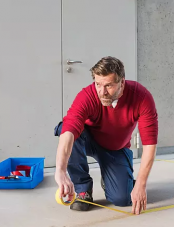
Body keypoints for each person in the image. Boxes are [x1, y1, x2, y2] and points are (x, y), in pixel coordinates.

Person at [54, 56, 158, 215]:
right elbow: (68, 132)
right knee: (65, 129)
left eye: (108, 85)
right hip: (89, 140)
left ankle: (113, 177)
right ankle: (83, 190)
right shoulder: (87, 95)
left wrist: (141, 184)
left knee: (122, 199)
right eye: (98, 84)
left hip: (116, 148)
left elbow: (150, 144)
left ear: (122, 82)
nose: (102, 92)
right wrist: (60, 171)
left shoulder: (141, 97)